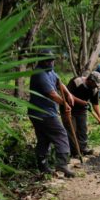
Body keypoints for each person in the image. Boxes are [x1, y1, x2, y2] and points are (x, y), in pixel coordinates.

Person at [28, 49, 76, 177]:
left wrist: (68, 94)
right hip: (43, 113)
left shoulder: (50, 71)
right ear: (42, 61)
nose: (51, 63)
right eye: (48, 61)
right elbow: (52, 94)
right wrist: (64, 103)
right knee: (60, 134)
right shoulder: (40, 74)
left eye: (52, 60)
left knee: (44, 139)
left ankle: (43, 166)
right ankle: (62, 164)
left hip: (42, 112)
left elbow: (58, 82)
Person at [63, 71, 100, 156]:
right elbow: (68, 95)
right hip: (68, 108)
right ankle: (75, 152)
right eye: (95, 84)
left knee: (83, 129)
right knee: (72, 130)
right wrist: (81, 102)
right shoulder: (77, 81)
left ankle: (83, 149)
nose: (96, 86)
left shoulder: (95, 89)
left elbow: (95, 104)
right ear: (90, 80)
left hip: (82, 110)